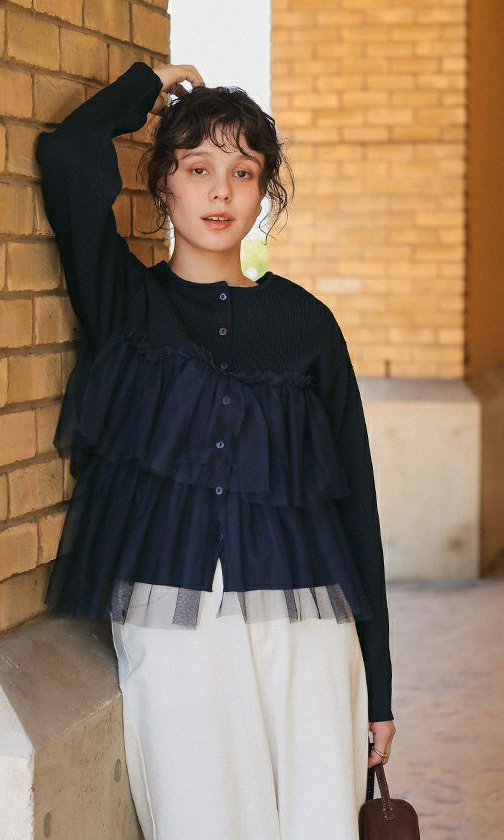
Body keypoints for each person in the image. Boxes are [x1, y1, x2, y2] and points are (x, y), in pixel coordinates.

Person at [35, 59, 396, 840]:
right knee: (197, 819)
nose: (221, 192)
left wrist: (381, 688)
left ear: (264, 193)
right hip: (172, 625)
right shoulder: (126, 304)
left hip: (307, 627)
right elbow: (66, 158)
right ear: (163, 187)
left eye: (243, 171)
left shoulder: (308, 326)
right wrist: (147, 86)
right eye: (197, 168)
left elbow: (356, 506)